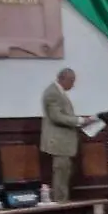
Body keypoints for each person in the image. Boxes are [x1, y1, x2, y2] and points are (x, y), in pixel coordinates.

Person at [41, 68, 92, 202]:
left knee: (64, 172)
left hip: (62, 142)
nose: (73, 85)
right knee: (61, 173)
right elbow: (56, 117)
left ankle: (63, 201)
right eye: (71, 81)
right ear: (62, 78)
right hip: (58, 142)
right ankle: (61, 203)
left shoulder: (58, 92)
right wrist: (80, 120)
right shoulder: (52, 93)